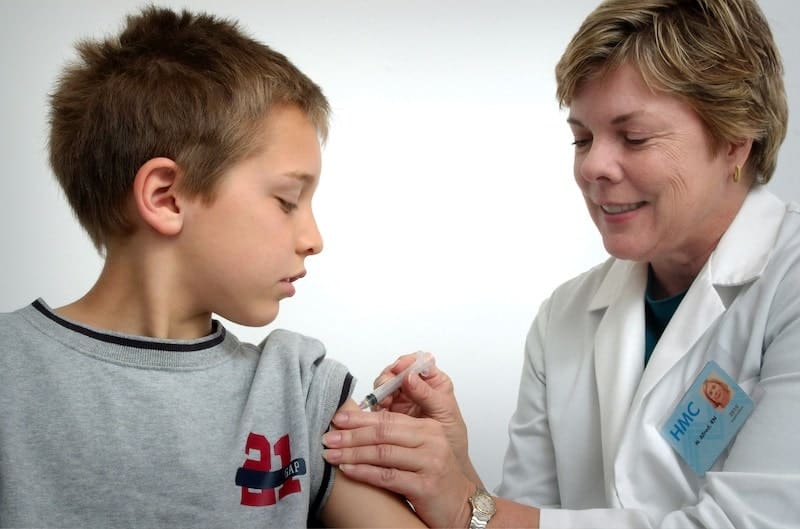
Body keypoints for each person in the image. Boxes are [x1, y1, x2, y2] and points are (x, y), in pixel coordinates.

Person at [321, 0, 800, 527]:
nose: (592, 165)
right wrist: (456, 470)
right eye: (582, 138)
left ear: (736, 137)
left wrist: (462, 508)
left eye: (634, 137)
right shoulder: (566, 316)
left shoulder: (787, 283)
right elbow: (525, 518)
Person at [0, 7, 425, 528]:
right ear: (167, 198)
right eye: (287, 200)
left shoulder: (297, 391)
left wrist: (457, 477)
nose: (314, 240)